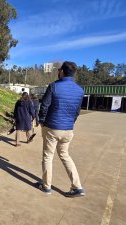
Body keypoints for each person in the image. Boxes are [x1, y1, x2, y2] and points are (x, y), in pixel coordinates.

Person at [37, 61, 85, 197]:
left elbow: (44, 106)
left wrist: (42, 121)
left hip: (52, 127)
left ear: (62, 71)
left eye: (59, 70)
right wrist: (70, 123)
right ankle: (77, 186)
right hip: (68, 129)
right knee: (65, 155)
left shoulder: (54, 86)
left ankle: (46, 186)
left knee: (48, 156)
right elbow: (77, 111)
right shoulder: (80, 90)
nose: (58, 72)